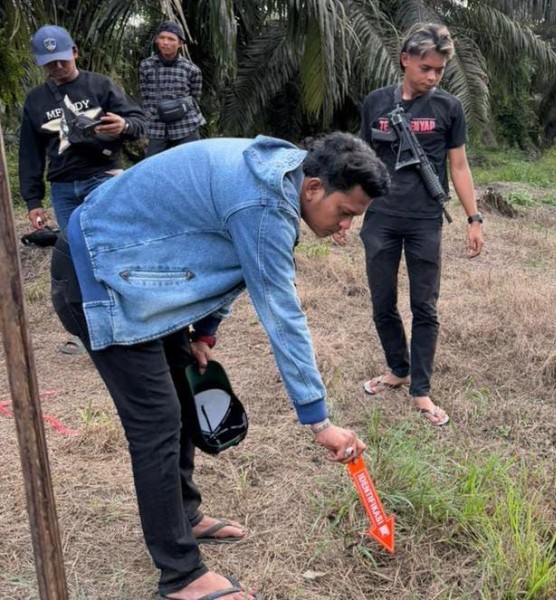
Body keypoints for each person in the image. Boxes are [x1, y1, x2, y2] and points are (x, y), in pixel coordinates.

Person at [50, 133, 390, 600]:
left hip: (141, 269)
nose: (345, 226)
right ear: (313, 188)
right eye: (345, 212)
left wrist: (204, 333)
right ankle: (180, 575)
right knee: (157, 422)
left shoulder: (282, 176)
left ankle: (184, 515)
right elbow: (282, 315)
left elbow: (223, 252)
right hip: (100, 274)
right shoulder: (265, 204)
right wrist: (319, 421)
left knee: (181, 392)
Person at [357, 23, 484, 426]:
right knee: (382, 302)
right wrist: (346, 213)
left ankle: (421, 390)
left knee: (424, 306)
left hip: (425, 220)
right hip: (380, 217)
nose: (432, 77)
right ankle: (398, 369)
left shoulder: (449, 107)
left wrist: (474, 218)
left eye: (439, 70)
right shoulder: (376, 102)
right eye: (425, 68)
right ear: (405, 59)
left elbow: (458, 166)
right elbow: (361, 162)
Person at [18, 23, 146, 354]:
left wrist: (124, 125)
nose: (58, 66)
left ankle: (135, 320)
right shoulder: (35, 101)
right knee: (78, 258)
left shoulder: (101, 86)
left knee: (115, 247)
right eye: (49, 63)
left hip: (103, 177)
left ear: (75, 51)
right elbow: (30, 153)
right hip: (63, 188)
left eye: (63, 58)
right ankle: (89, 329)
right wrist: (33, 200)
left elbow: (140, 122)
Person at [139, 21, 206, 156]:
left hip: (185, 126)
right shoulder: (146, 66)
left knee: (193, 161)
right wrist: (149, 118)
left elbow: (194, 98)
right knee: (152, 164)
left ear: (180, 43)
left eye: (171, 39)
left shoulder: (191, 69)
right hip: (157, 127)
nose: (165, 42)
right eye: (162, 38)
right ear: (156, 40)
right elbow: (145, 96)